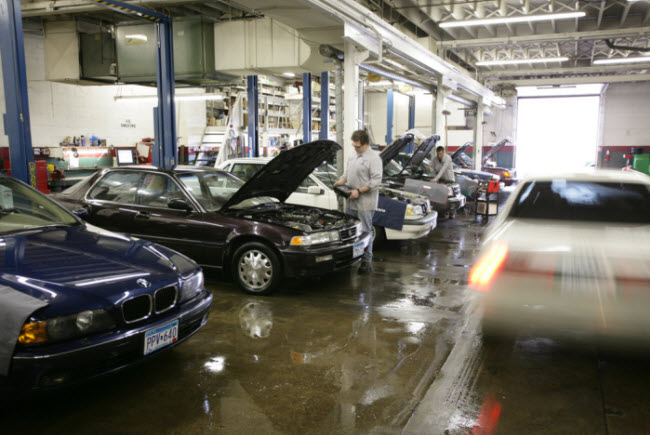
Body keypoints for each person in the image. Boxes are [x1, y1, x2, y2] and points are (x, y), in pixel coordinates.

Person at [333, 130, 383, 273]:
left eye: (358, 146)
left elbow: (376, 181)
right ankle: (352, 258)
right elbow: (348, 172)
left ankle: (366, 262)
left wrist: (359, 191)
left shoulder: (374, 158)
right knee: (351, 232)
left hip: (365, 203)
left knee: (365, 232)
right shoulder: (353, 154)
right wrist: (341, 181)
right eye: (354, 146)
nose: (355, 148)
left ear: (366, 144)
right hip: (351, 200)